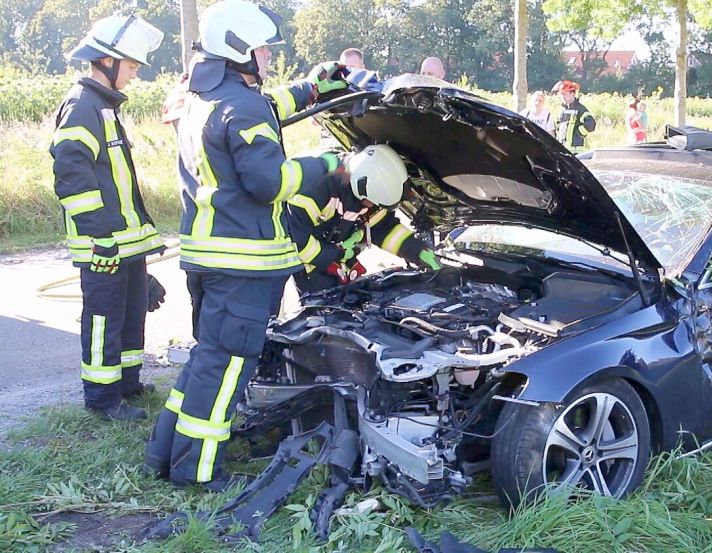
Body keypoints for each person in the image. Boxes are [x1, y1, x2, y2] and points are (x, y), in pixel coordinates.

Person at [144, 0, 348, 490]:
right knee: (229, 365)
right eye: (262, 49)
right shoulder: (243, 105)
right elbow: (269, 182)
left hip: (208, 257)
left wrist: (312, 88)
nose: (268, 57)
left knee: (207, 358)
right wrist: (326, 165)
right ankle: (194, 472)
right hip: (244, 264)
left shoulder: (203, 97)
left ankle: (163, 452)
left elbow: (266, 111)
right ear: (239, 50)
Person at [51, 15, 167, 421]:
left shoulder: (104, 107)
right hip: (104, 245)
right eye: (132, 66)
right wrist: (101, 238)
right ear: (106, 61)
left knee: (132, 312)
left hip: (124, 243)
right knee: (103, 320)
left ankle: (127, 383)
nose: (135, 75)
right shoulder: (82, 107)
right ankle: (102, 400)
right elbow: (72, 179)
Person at [288, 145, 441, 295]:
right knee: (323, 304)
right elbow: (296, 239)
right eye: (372, 202)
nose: (373, 207)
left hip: (331, 251)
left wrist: (418, 251)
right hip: (296, 254)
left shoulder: (366, 191)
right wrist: (332, 258)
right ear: (361, 188)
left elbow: (383, 229)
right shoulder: (315, 189)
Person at [551, 80, 596, 152]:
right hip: (562, 149)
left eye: (565, 94)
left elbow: (591, 124)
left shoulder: (580, 109)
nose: (562, 97)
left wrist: (578, 133)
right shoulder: (562, 109)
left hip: (575, 151)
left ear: (572, 94)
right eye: (561, 95)